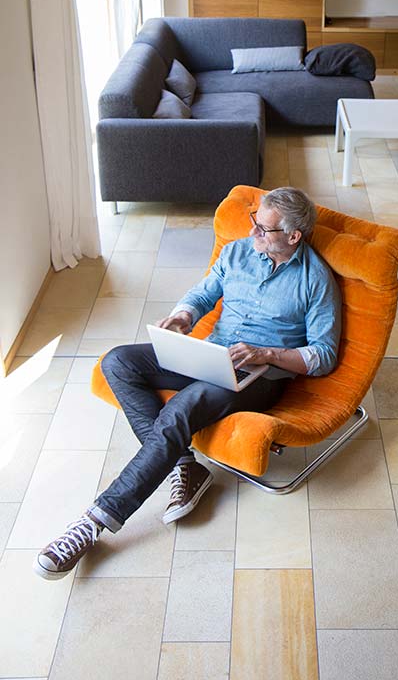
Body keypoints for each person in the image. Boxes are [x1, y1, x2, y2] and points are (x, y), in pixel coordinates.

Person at [34, 187, 342, 580]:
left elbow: (323, 355)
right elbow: (204, 292)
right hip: (209, 355)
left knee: (180, 409)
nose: (252, 232)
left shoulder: (315, 279)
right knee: (119, 362)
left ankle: (94, 522)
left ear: (293, 236)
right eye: (254, 221)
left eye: (263, 228)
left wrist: (267, 354)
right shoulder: (238, 253)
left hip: (259, 376)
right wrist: (183, 316)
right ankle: (185, 466)